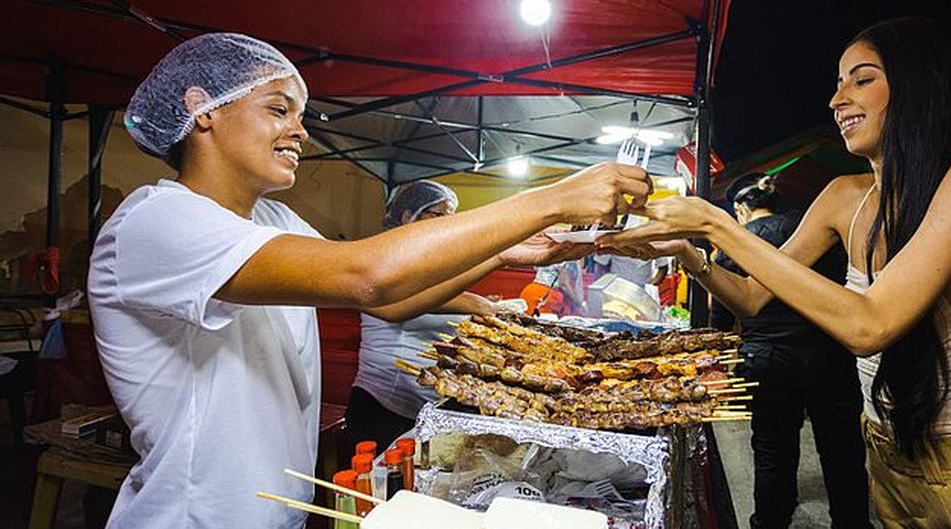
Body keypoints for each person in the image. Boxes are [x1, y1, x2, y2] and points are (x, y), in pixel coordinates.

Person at [87, 33, 650, 529]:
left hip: (278, 509)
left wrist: (506, 249)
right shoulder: (155, 220)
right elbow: (367, 276)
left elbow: (395, 301)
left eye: (299, 116)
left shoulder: (272, 220)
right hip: (196, 517)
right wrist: (547, 200)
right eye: (278, 110)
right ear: (202, 108)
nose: (298, 132)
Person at [601, 17, 951, 527]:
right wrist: (688, 252)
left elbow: (870, 325)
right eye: (838, 84)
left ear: (917, 86)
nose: (837, 101)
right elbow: (750, 297)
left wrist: (717, 226)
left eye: (861, 80)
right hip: (886, 455)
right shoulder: (843, 196)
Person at [707, 172, 870, 528]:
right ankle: (852, 522)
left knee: (772, 451)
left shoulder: (736, 245)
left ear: (740, 208)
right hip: (829, 356)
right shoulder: (814, 232)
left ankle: (770, 520)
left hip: (767, 362)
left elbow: (720, 317)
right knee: (843, 450)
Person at [346, 180, 505, 459]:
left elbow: (443, 298)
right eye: (437, 214)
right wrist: (482, 305)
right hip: (384, 401)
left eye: (450, 216)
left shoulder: (427, 260)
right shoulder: (389, 254)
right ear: (408, 215)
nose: (446, 223)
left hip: (422, 402)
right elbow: (411, 296)